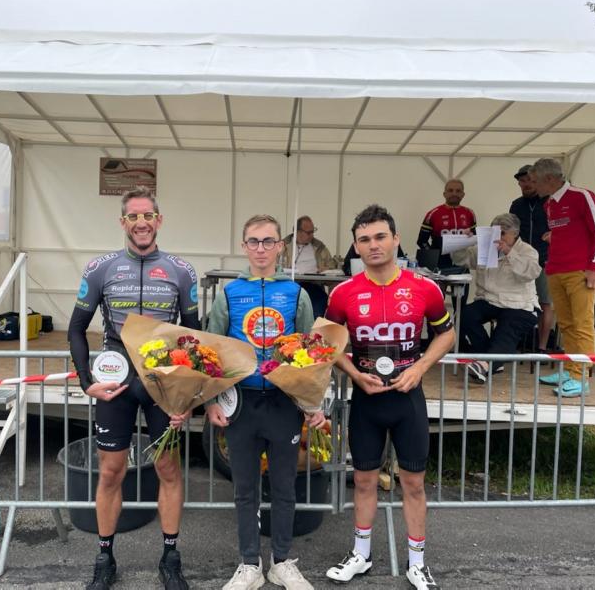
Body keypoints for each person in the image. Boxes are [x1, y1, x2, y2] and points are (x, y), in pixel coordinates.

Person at [68, 189, 200, 590]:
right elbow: (76, 328)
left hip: (163, 383)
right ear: (122, 222)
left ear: (159, 220)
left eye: (148, 216)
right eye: (133, 217)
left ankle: (171, 557)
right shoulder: (100, 268)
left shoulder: (181, 271)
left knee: (168, 469)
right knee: (110, 471)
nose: (141, 223)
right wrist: (87, 382)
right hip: (116, 381)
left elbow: (193, 337)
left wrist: (189, 396)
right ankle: (104, 558)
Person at [324, 205, 455, 589]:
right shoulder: (344, 293)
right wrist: (354, 374)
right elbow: (326, 343)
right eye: (364, 239)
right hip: (367, 400)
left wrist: (420, 367)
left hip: (407, 399)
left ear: (396, 239)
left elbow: (446, 333)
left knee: (412, 484)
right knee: (364, 482)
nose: (373, 245)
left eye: (380, 236)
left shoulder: (424, 287)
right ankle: (360, 554)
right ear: (356, 247)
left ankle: (418, 563)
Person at [206, 214, 322, 590]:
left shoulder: (296, 294)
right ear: (244, 246)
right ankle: (249, 564)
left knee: (285, 486)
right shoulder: (228, 294)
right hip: (241, 404)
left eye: (268, 241)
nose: (261, 248)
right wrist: (211, 401)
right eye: (254, 241)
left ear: (280, 246)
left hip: (283, 403)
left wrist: (312, 402)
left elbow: (310, 353)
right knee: (245, 489)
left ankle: (282, 561)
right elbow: (212, 350)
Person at [530, 158, 595, 397]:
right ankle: (570, 369)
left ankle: (581, 377)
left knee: (582, 323)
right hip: (555, 270)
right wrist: (554, 237)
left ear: (549, 179)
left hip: (579, 271)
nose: (533, 186)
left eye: (535, 181)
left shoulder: (582, 196)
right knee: (565, 324)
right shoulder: (549, 204)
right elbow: (570, 231)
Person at [451, 213, 541, 383]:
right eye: (494, 232)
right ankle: (490, 360)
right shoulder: (486, 247)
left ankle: (485, 365)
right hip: (489, 300)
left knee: (507, 328)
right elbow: (462, 260)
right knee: (464, 316)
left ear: (515, 233)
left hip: (519, 303)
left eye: (502, 233)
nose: (498, 237)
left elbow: (530, 273)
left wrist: (509, 252)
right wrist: (462, 243)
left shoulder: (527, 251)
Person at [509, 164, 555, 351]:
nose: (526, 184)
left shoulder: (550, 202)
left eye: (529, 180)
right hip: (521, 262)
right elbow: (510, 231)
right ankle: (517, 344)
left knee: (545, 303)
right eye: (522, 180)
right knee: (516, 302)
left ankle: (541, 349)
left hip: (545, 261)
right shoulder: (516, 205)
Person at [279, 215, 337, 317]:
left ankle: (314, 326)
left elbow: (332, 266)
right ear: (297, 231)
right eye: (308, 232)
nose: (311, 235)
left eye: (313, 231)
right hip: (289, 285)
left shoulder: (319, 246)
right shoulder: (283, 245)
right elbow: (273, 266)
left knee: (318, 306)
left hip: (313, 286)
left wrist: (326, 269)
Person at [417, 178, 477, 269]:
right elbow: (422, 241)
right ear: (444, 194)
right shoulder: (433, 214)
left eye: (458, 191)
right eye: (450, 190)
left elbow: (475, 238)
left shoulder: (470, 213)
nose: (454, 193)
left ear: (463, 194)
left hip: (463, 263)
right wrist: (433, 255)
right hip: (439, 264)